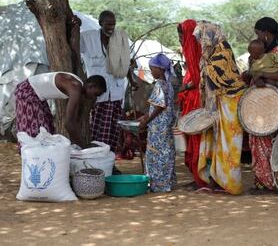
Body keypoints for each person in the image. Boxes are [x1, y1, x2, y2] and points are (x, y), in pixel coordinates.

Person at [194, 21, 246, 195]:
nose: (201, 42)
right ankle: (215, 180)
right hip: (218, 103)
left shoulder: (223, 51)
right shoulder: (211, 53)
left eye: (202, 38)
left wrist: (205, 69)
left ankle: (229, 183)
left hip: (230, 101)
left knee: (228, 143)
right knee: (214, 141)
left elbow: (217, 77)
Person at [248, 17, 278, 193]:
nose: (258, 37)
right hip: (256, 103)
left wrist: (262, 75)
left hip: (270, 104)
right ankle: (261, 180)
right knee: (256, 139)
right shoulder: (258, 54)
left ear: (266, 34)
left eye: (259, 33)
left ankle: (271, 182)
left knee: (267, 140)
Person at [79, 10, 132, 153]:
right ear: (100, 23)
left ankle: (110, 160)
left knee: (114, 132)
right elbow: (73, 48)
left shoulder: (119, 38)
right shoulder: (87, 38)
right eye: (108, 24)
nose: (111, 28)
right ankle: (97, 159)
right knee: (96, 129)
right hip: (98, 95)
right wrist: (73, 28)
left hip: (115, 94)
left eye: (113, 24)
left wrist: (132, 81)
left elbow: (125, 63)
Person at [15, 72, 106, 147]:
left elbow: (73, 121)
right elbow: (69, 124)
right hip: (27, 92)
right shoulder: (75, 87)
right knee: (36, 135)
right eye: (96, 94)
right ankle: (33, 161)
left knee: (47, 131)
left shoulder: (78, 86)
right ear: (91, 86)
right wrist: (85, 146)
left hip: (36, 95)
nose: (94, 98)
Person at [138, 53, 176, 193]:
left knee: (157, 154)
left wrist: (146, 121)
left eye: (152, 69)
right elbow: (158, 106)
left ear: (160, 69)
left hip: (159, 126)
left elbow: (160, 107)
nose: (151, 71)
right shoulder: (168, 84)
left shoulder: (160, 84)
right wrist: (145, 116)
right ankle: (167, 182)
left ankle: (158, 184)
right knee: (166, 152)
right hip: (165, 124)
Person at [177, 19, 207, 189]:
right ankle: (197, 177)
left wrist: (185, 87)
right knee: (192, 140)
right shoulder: (192, 51)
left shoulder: (195, 51)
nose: (180, 40)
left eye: (181, 36)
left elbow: (197, 80)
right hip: (191, 101)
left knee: (196, 140)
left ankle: (200, 179)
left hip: (195, 102)